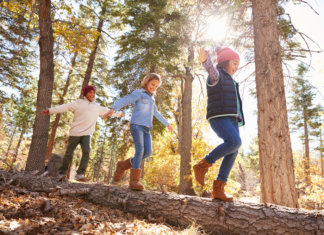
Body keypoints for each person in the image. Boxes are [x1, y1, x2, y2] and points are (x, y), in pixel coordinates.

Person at [105, 73, 174, 190]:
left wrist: (167, 124)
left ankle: (122, 165)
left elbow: (156, 113)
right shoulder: (139, 93)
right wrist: (113, 108)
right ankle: (134, 181)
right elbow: (126, 100)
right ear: (146, 82)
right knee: (140, 150)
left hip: (147, 128)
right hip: (136, 125)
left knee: (147, 152)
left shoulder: (152, 98)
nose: (154, 87)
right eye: (152, 84)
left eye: (156, 86)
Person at [194, 47, 245, 202]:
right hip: (219, 117)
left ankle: (218, 189)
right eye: (234, 63)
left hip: (232, 119)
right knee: (235, 142)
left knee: (233, 150)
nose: (236, 67)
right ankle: (203, 165)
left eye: (238, 65)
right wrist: (205, 60)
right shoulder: (218, 76)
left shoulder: (232, 81)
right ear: (224, 62)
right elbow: (211, 70)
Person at [42, 85, 110, 182]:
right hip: (75, 133)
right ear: (85, 93)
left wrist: (120, 114)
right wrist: (50, 110)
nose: (92, 95)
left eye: (94, 93)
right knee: (69, 153)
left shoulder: (97, 107)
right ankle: (61, 173)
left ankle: (80, 174)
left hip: (87, 134)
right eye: (90, 92)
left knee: (87, 151)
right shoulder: (78, 103)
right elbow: (64, 107)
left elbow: (108, 111)